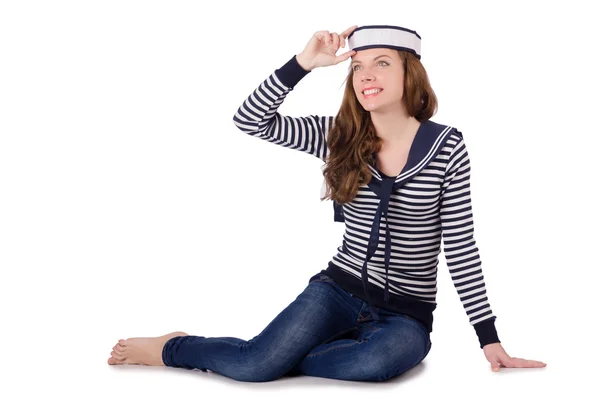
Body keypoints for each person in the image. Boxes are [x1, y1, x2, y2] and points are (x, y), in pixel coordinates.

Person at [107, 24, 547, 381]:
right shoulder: (338, 135)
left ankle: (284, 357)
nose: (366, 76)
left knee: (377, 364)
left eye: (381, 64)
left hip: (405, 315)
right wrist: (303, 64)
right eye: (357, 67)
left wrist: (489, 339)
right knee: (253, 365)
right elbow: (249, 120)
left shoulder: (446, 146)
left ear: (409, 73)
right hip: (337, 291)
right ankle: (175, 347)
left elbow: (460, 244)